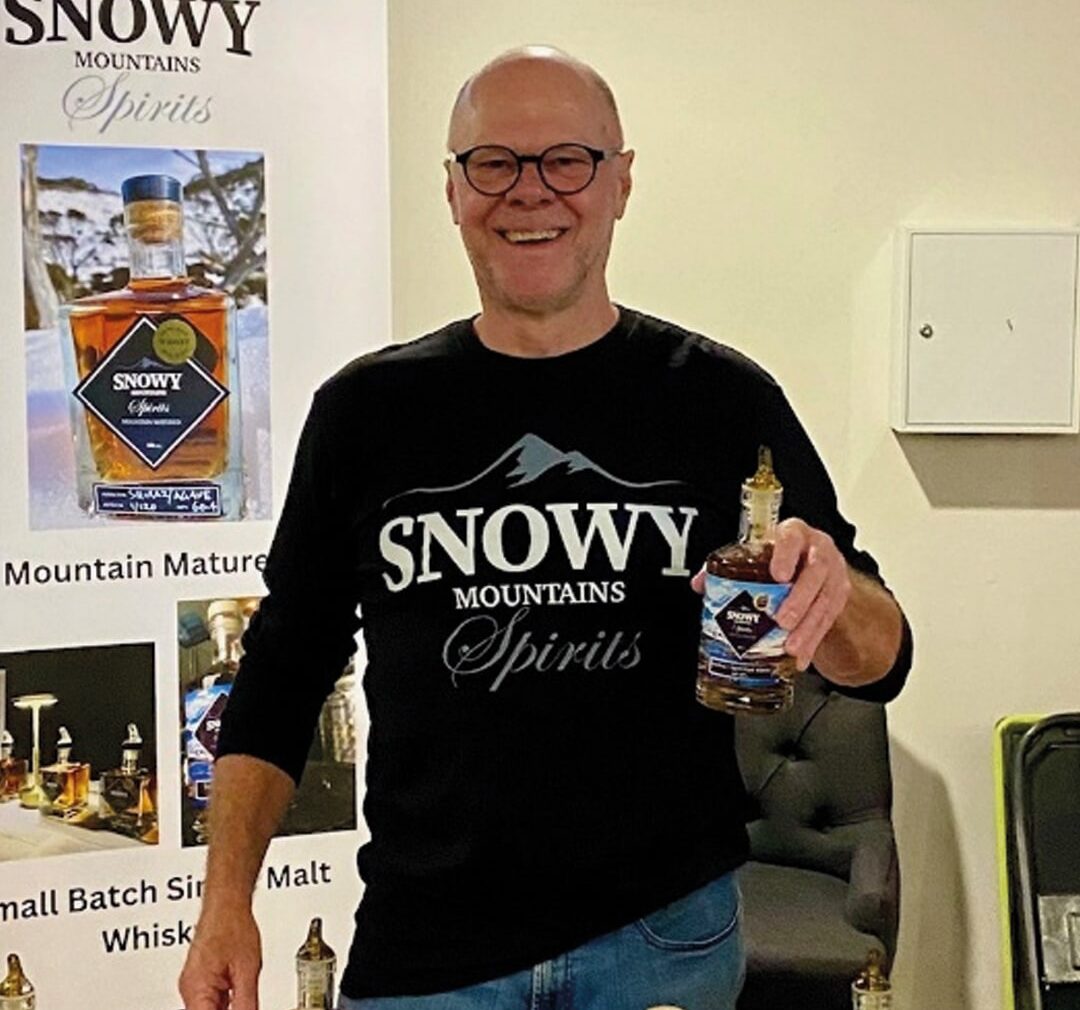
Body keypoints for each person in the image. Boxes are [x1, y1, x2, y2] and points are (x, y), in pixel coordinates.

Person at [178, 45, 911, 1010]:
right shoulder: (365, 413)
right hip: (428, 952)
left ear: (621, 182)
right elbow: (281, 671)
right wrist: (224, 903)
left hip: (660, 939)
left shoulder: (721, 401)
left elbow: (882, 661)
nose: (530, 192)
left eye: (568, 160)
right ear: (452, 189)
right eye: (494, 163)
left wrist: (833, 595)